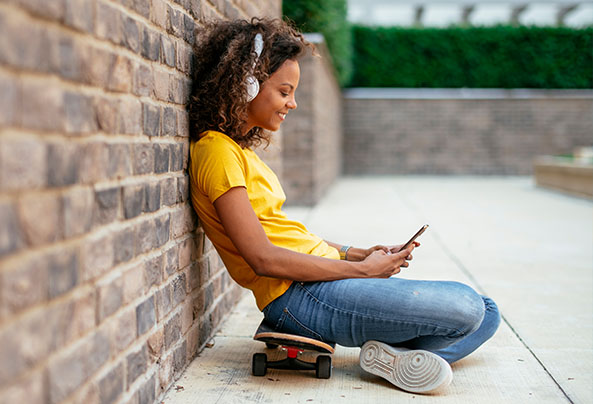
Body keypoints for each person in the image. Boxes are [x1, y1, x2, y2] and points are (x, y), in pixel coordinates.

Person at [188, 17, 500, 395]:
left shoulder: (237, 151)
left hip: (318, 283)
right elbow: (263, 259)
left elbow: (286, 235)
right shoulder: (215, 151)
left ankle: (394, 358)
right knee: (467, 309)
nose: (293, 103)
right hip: (297, 297)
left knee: (488, 310)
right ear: (246, 83)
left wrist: (355, 254)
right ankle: (403, 357)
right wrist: (364, 273)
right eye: (284, 91)